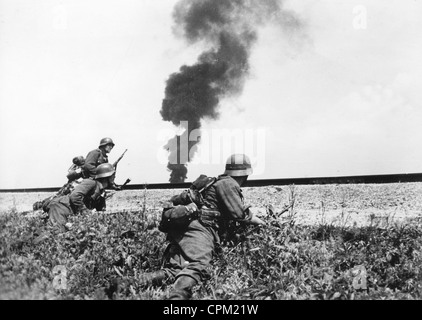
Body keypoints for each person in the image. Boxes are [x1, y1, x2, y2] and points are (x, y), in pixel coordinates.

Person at [110, 154, 266, 300]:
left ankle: (124, 284)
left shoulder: (215, 182)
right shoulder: (229, 183)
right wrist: (263, 223)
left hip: (183, 228)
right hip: (200, 229)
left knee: (176, 270)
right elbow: (240, 214)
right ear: (244, 174)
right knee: (198, 265)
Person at [35, 163, 117, 240]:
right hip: (60, 207)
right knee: (56, 235)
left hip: (69, 212)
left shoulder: (101, 192)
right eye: (112, 176)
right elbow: (75, 196)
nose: (114, 177)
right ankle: (30, 245)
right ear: (106, 176)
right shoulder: (91, 183)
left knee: (69, 236)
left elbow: (100, 214)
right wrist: (85, 211)